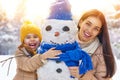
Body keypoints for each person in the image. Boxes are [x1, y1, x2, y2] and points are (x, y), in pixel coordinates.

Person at [69, 9, 116, 80]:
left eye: (95, 29)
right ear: (81, 22)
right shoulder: (63, 39)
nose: (90, 30)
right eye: (88, 24)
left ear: (99, 32)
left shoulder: (101, 53)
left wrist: (83, 75)